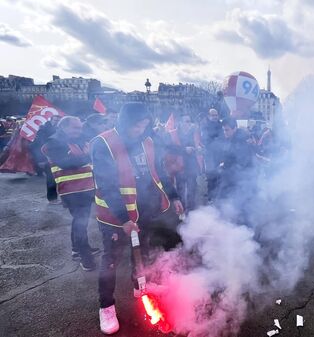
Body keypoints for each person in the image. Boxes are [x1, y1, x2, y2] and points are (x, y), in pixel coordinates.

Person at [91, 103, 184, 335]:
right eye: (136, 125)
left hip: (145, 211)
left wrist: (173, 196)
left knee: (141, 251)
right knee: (111, 260)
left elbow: (158, 173)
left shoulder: (148, 141)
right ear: (124, 122)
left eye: (144, 125)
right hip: (115, 217)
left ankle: (139, 285)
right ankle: (106, 306)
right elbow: (107, 184)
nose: (140, 130)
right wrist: (123, 218)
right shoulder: (103, 143)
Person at [42, 116, 99, 270]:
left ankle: (78, 249)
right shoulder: (53, 143)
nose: (79, 131)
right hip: (71, 190)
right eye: (75, 128)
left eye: (80, 128)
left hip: (84, 189)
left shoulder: (76, 141)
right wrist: (87, 156)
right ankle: (85, 257)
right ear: (64, 127)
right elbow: (67, 163)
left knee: (81, 221)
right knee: (80, 223)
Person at [217, 117, 257, 214]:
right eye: (224, 130)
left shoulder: (240, 141)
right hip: (235, 179)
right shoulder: (234, 139)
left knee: (241, 207)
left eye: (227, 130)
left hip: (241, 181)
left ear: (234, 128)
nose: (225, 132)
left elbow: (242, 163)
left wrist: (225, 166)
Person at [166, 113, 204, 211]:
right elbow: (169, 148)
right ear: (180, 122)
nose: (189, 124)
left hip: (192, 165)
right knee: (180, 190)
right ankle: (181, 212)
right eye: (186, 121)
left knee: (192, 190)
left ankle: (191, 212)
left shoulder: (194, 133)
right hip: (179, 166)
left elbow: (200, 144)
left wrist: (200, 147)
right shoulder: (173, 133)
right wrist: (184, 149)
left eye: (189, 121)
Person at [31, 115, 62, 203]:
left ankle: (59, 196)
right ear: (51, 120)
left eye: (58, 120)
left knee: (58, 178)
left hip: (57, 157)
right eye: (55, 120)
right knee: (51, 179)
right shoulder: (43, 130)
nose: (56, 122)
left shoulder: (58, 130)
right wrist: (40, 160)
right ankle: (52, 198)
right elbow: (38, 146)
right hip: (46, 158)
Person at [201, 108, 224, 202]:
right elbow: (205, 141)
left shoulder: (221, 125)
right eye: (212, 115)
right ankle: (210, 198)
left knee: (220, 176)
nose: (214, 117)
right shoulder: (205, 126)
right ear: (208, 116)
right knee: (211, 177)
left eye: (216, 115)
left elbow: (224, 138)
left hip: (220, 155)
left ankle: (219, 197)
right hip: (210, 156)